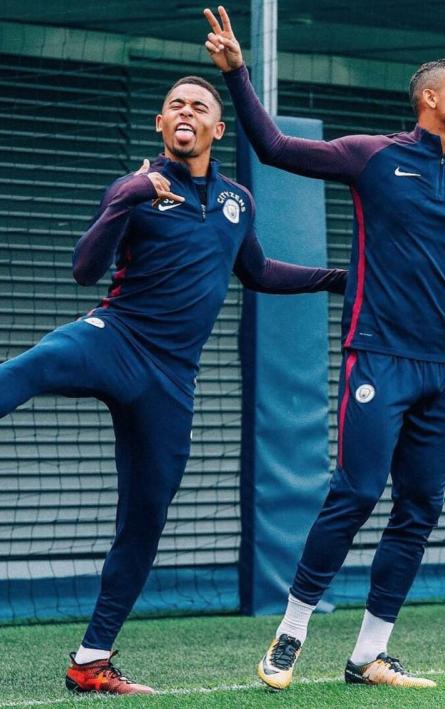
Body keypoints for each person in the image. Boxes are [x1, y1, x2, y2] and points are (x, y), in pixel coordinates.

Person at [204, 5, 445, 691]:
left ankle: (368, 654)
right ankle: (291, 630)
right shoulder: (372, 157)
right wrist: (238, 73)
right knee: (355, 492)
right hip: (376, 356)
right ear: (429, 97)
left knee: (419, 507)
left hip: (437, 371)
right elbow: (273, 148)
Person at [0, 75, 346, 695]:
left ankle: (92, 662)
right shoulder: (137, 187)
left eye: (200, 106)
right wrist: (127, 195)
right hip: (113, 338)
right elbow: (84, 270)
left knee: (145, 521)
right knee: (24, 370)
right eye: (175, 105)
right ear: (161, 125)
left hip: (170, 380)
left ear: (217, 129)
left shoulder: (238, 200)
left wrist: (335, 278)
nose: (187, 111)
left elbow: (259, 271)